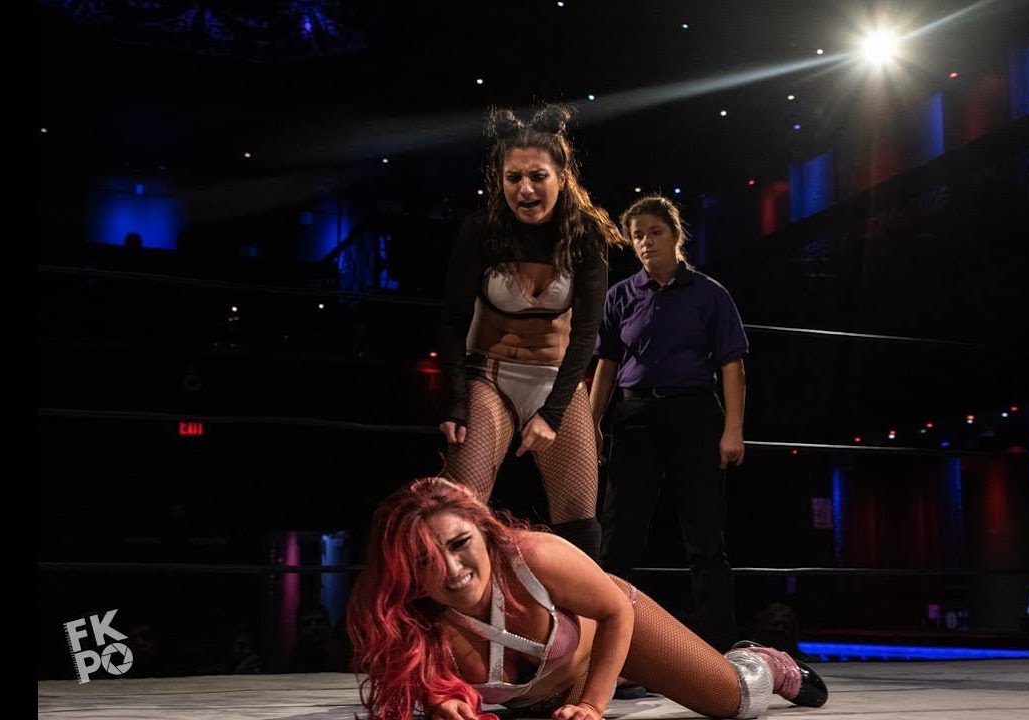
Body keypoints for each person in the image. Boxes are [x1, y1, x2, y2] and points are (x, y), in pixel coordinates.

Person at [346, 478, 827, 720]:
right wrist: (445, 702)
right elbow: (429, 692)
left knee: (736, 699)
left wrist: (594, 708)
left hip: (613, 623)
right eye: (426, 560)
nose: (452, 570)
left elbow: (614, 611)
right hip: (555, 691)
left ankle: (765, 660)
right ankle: (633, 675)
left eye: (459, 544)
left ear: (484, 530)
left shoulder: (534, 556)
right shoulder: (412, 624)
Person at [437, 104, 623, 561]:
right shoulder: (480, 230)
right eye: (513, 177)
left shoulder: (586, 235)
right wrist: (455, 400)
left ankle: (577, 608)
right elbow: (452, 322)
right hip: (491, 375)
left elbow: (586, 334)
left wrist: (553, 414)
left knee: (580, 521)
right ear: (499, 180)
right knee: (461, 510)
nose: (525, 189)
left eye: (537, 176)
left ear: (562, 177)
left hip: (557, 377)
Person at [589, 194, 749, 650]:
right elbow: (606, 365)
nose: (645, 242)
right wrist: (591, 424)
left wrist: (733, 429)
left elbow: (733, 364)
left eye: (655, 232)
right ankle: (601, 644)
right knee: (619, 531)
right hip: (634, 415)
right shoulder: (620, 295)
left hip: (694, 413)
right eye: (637, 235)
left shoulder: (710, 293)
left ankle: (718, 648)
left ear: (676, 235)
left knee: (704, 533)